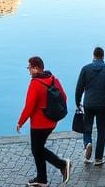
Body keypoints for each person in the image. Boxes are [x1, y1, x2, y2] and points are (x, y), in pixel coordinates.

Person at [17, 56, 71, 186]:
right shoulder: (53, 79)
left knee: (37, 149)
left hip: (39, 124)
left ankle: (62, 164)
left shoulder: (35, 83)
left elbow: (29, 106)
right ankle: (42, 179)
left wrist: (20, 122)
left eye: (29, 67)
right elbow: (64, 97)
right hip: (52, 121)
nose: (28, 70)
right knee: (38, 149)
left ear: (36, 68)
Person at [74, 46, 105, 165]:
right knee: (102, 130)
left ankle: (88, 143)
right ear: (103, 56)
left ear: (93, 55)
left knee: (87, 127)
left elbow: (79, 87)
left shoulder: (86, 69)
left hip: (89, 104)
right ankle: (98, 158)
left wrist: (77, 102)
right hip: (103, 105)